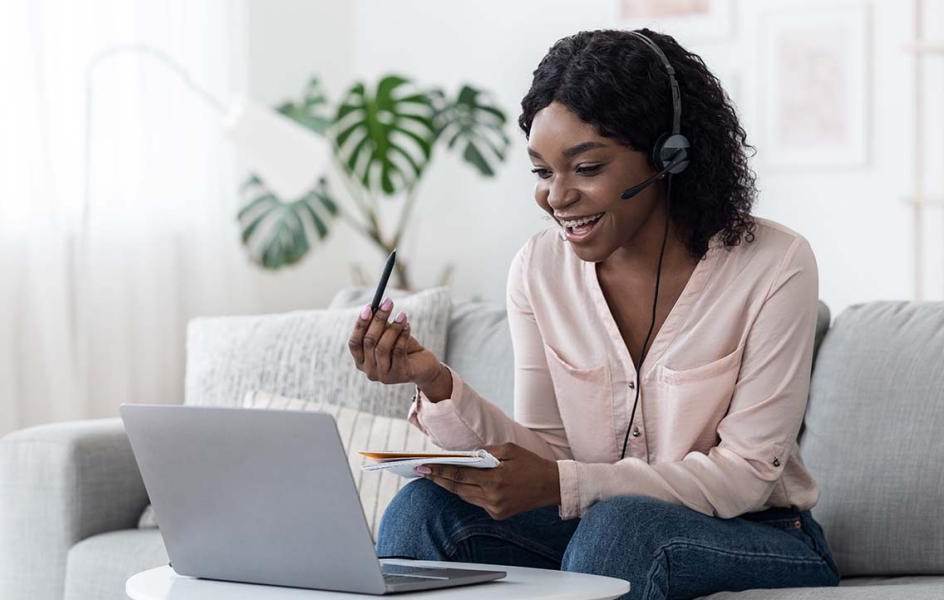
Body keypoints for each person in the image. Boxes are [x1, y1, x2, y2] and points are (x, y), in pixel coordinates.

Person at [346, 28, 840, 599]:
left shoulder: (776, 265)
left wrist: (565, 483)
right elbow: (546, 456)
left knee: (618, 528)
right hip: (596, 524)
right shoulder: (538, 271)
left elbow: (745, 477)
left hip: (758, 533)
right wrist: (433, 383)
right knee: (422, 511)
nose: (556, 197)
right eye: (541, 171)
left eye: (585, 168)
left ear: (668, 157)